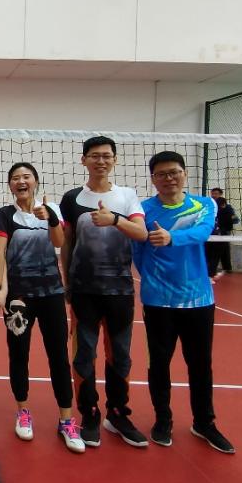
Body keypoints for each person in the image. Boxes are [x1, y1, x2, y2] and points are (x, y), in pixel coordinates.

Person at [132, 151, 234, 454]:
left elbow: (201, 233)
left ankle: (204, 422)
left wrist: (171, 238)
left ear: (184, 174)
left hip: (198, 300)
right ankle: (162, 420)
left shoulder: (205, 204)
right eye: (162, 174)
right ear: (153, 179)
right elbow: (137, 250)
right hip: (158, 301)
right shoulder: (143, 210)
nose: (169, 178)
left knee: (200, 364)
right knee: (159, 363)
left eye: (174, 172)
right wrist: (153, 278)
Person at [0, 162, 84, 453]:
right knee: (19, 354)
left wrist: (50, 219)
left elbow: (59, 241)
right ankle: (23, 412)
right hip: (20, 297)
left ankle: (66, 420)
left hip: (51, 293)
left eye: (26, 177)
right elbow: (0, 252)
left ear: (35, 182)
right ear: (10, 185)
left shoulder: (51, 209)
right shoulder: (5, 215)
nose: (21, 181)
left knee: (58, 356)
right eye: (15, 178)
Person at [60, 136, 149, 449]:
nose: (101, 161)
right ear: (84, 160)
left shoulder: (127, 196)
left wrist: (115, 219)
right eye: (95, 156)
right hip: (84, 292)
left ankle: (118, 413)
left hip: (119, 291)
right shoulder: (72, 198)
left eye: (106, 156)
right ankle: (90, 414)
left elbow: (141, 233)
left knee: (120, 355)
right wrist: (67, 283)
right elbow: (67, 244)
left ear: (114, 160)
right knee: (84, 354)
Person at [206, 187, 239, 279]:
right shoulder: (210, 206)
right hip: (213, 232)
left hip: (224, 232)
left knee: (221, 250)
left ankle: (223, 268)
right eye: (212, 193)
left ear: (220, 194)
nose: (214, 195)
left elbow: (236, 220)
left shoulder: (227, 207)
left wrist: (230, 218)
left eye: (216, 193)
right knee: (218, 250)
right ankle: (216, 269)